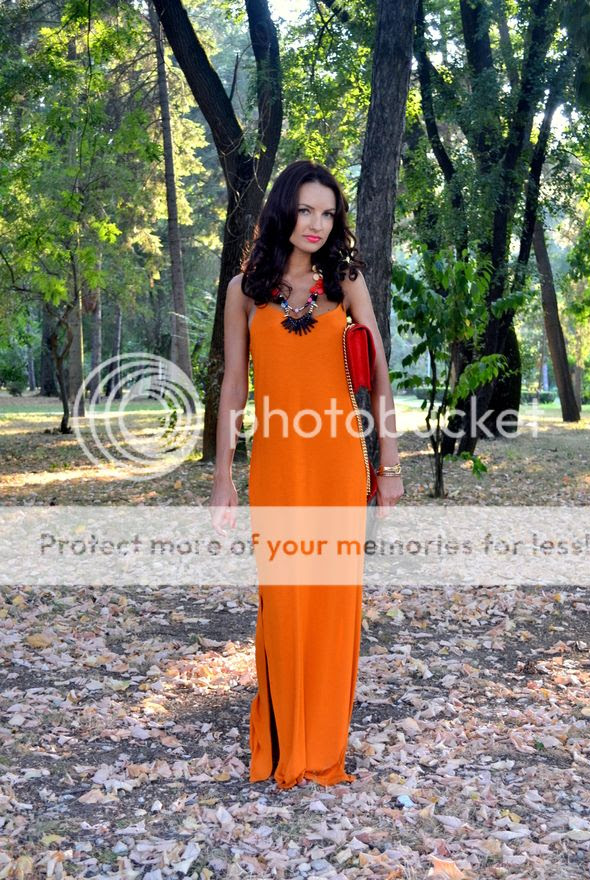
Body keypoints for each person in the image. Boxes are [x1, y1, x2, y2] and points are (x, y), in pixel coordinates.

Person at [210, 159, 404, 790]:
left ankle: (321, 746)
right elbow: (234, 385)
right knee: (283, 600)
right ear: (283, 211)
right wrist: (222, 476)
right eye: (306, 210)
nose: (317, 224)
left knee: (332, 603)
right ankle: (280, 738)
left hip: (337, 465)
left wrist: (390, 464)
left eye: (328, 213)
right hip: (276, 466)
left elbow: (379, 376)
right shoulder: (246, 290)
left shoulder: (346, 283)